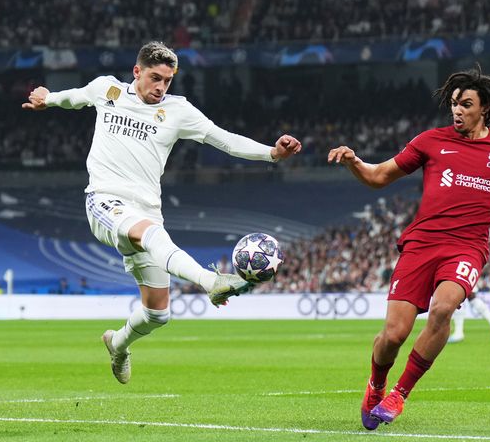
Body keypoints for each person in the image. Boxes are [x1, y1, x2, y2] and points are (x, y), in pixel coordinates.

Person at [22, 41, 301, 384]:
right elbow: (73, 97)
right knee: (150, 235)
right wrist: (47, 98)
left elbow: (224, 139)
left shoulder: (179, 111)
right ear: (137, 72)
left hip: (147, 212)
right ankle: (211, 281)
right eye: (155, 77)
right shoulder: (106, 89)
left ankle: (118, 343)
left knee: (158, 313)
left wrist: (272, 153)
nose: (161, 86)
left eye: (168, 80)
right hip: (104, 201)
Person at [328, 65, 490, 430]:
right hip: (420, 245)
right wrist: (355, 161)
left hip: (467, 248)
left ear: (484, 109)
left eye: (466, 104)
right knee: (393, 336)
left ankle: (399, 395)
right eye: (454, 103)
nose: (458, 110)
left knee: (443, 309)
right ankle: (376, 384)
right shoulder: (430, 141)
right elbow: (378, 177)